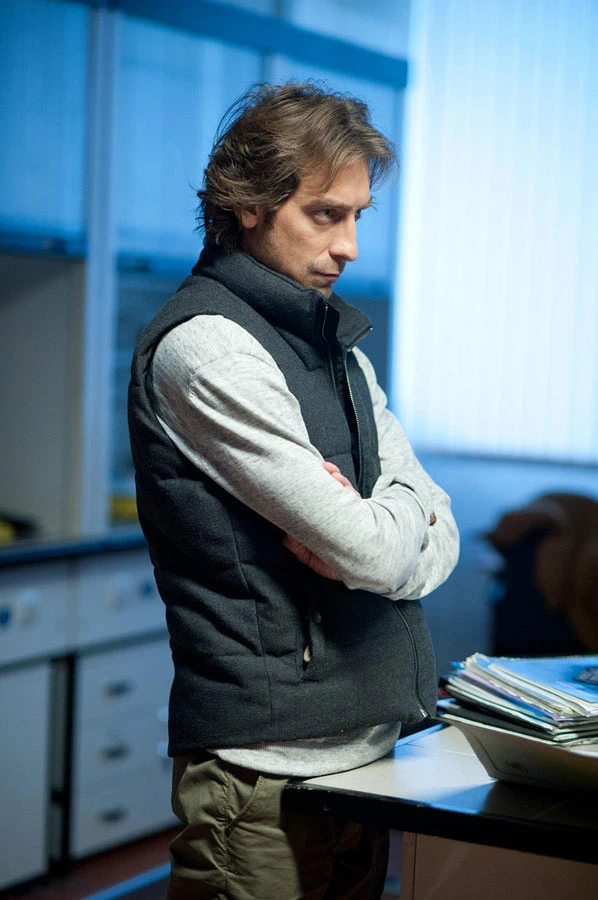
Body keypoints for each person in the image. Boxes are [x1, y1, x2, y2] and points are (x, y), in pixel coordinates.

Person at [128, 82, 459, 900]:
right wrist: (388, 529)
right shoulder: (210, 349)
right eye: (324, 215)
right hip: (260, 774)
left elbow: (431, 530)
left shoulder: (339, 350)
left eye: (358, 216)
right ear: (248, 204)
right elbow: (374, 549)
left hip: (367, 760)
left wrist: (387, 528)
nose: (350, 246)